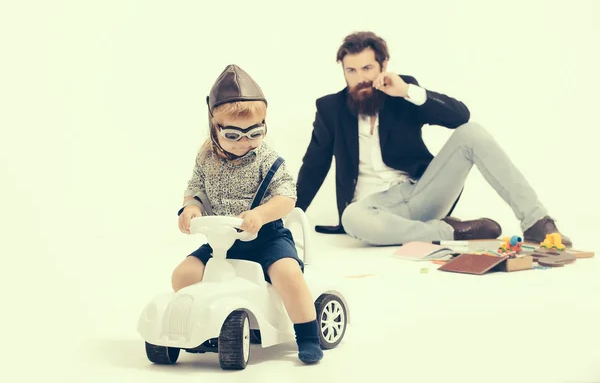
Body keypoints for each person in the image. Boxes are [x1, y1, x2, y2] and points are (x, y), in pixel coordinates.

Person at [296, 31, 572, 247]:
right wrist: (290, 218)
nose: (360, 79)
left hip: (421, 192)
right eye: (351, 71)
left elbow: (460, 117)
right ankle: (452, 231)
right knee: (352, 218)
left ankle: (536, 221)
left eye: (367, 68)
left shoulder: (402, 91)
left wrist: (407, 91)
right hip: (372, 209)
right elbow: (314, 165)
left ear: (383, 65)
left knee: (472, 132)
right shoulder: (330, 109)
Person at [172, 64, 323, 364]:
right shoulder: (205, 158)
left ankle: (307, 334)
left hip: (266, 237)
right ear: (214, 127)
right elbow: (195, 189)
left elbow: (287, 197)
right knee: (183, 276)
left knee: (288, 274)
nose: (245, 141)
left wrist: (262, 214)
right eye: (233, 134)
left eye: (255, 132)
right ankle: (209, 323)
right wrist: (191, 208)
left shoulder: (267, 159)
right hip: (222, 244)